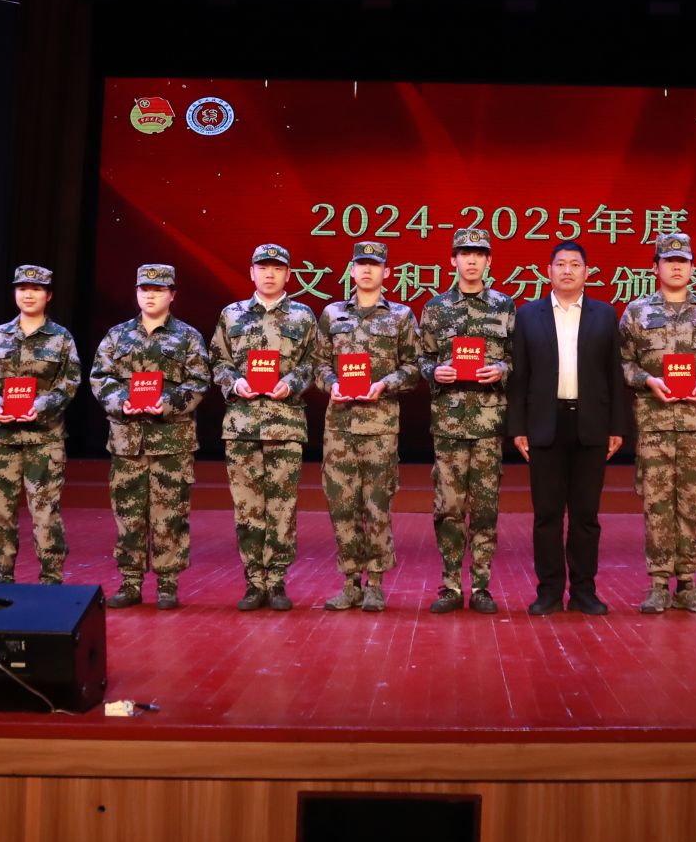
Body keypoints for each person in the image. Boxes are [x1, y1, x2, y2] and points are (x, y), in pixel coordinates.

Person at [507, 240, 627, 615]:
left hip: (591, 423)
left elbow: (615, 374)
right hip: (545, 424)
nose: (568, 270)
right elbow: (519, 376)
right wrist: (518, 427)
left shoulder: (605, 315)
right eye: (561, 264)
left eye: (575, 264)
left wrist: (617, 426)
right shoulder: (528, 315)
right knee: (547, 516)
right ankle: (548, 591)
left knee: (585, 516)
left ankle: (584, 591)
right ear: (549, 271)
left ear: (587, 272)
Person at [619, 231, 696, 613]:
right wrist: (647, 380)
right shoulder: (637, 312)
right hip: (654, 425)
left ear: (692, 268)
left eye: (682, 261)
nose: (676, 267)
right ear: (656, 268)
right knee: (656, 504)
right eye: (669, 261)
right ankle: (657, 583)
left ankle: (687, 582)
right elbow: (622, 363)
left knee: (693, 503)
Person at [89, 264, 211, 610]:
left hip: (171, 439)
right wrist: (121, 401)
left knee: (170, 513)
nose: (150, 295)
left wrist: (167, 404)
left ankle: (168, 583)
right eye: (144, 289)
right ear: (137, 293)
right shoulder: (117, 336)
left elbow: (199, 381)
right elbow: (100, 377)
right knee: (128, 513)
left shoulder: (188, 337)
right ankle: (130, 581)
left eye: (158, 290)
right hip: (127, 440)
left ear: (172, 295)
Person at [212, 244, 322, 611]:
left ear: (288, 274)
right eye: (263, 267)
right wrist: (234, 383)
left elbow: (314, 362)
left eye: (277, 268)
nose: (270, 273)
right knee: (247, 508)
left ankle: (276, 581)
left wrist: (291, 383)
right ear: (252, 272)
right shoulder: (231, 314)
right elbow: (218, 360)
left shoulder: (303, 316)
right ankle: (253, 582)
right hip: (242, 425)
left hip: (284, 424)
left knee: (282, 508)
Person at [316, 240, 420, 612]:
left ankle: (375, 582)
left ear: (386, 272)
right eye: (361, 264)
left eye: (374, 265)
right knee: (342, 506)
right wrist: (332, 384)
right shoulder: (332, 314)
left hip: (380, 427)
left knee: (377, 506)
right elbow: (318, 364)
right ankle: (350, 583)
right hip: (340, 427)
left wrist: (384, 384)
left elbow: (414, 368)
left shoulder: (401, 316)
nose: (367, 270)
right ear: (352, 270)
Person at [417, 227, 516, 613]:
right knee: (449, 507)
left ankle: (481, 586)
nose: (471, 260)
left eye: (479, 253)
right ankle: (450, 585)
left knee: (486, 508)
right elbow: (423, 357)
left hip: (488, 424)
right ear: (453, 260)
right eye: (464, 253)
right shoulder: (436, 307)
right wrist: (435, 371)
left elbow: (517, 357)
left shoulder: (504, 306)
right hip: (449, 422)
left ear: (488, 261)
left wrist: (501, 370)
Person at [0, 264, 82, 585]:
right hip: (1, 439)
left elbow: (69, 384)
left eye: (35, 289)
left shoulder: (61, 338)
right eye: (22, 289)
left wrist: (40, 407)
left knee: (45, 512)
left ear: (48, 295)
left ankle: (51, 579)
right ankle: (3, 576)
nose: (28, 294)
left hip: (44, 439)